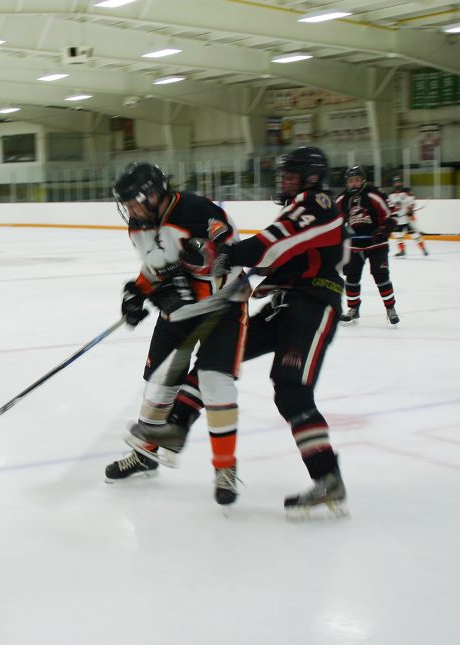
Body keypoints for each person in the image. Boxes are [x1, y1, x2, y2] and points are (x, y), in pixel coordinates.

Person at [148, 147, 349, 519]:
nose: (284, 180)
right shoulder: (302, 205)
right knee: (218, 357)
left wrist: (228, 254)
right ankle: (176, 426)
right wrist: (243, 274)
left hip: (314, 306)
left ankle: (328, 478)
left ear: (311, 177)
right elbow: (279, 254)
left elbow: (272, 244)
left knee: (291, 390)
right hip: (287, 305)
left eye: (292, 174)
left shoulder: (317, 203)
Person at [103, 162, 249, 506]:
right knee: (158, 383)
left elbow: (229, 264)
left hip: (222, 306)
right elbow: (156, 270)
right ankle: (145, 454)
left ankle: (225, 469)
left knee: (215, 384)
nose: (130, 211)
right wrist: (136, 293)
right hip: (180, 313)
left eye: (133, 202)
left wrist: (181, 288)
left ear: (154, 195)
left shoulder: (199, 212)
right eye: (125, 204)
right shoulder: (139, 225)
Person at [336, 166, 398, 325]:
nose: (354, 183)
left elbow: (393, 215)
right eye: (351, 181)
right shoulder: (342, 199)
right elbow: (334, 220)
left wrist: (384, 231)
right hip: (354, 246)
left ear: (363, 180)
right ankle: (353, 309)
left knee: (381, 275)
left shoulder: (375, 194)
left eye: (357, 180)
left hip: (376, 244)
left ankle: (390, 308)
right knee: (351, 277)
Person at [387, 176, 428, 257]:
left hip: (407, 219)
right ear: (393, 184)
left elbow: (411, 203)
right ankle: (402, 251)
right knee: (398, 235)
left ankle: (423, 248)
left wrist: (410, 208)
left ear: (401, 183)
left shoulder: (407, 192)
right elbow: (390, 206)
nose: (397, 184)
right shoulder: (391, 195)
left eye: (399, 182)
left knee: (415, 235)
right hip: (397, 220)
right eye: (396, 182)